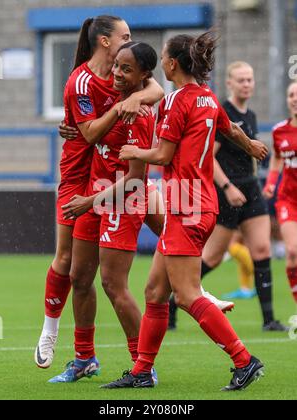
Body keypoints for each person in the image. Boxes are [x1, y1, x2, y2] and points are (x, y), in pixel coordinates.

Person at [101, 32, 267, 391]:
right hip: (197, 201)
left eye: (163, 56)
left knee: (187, 295)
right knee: (155, 293)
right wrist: (250, 144)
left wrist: (132, 152)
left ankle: (244, 360)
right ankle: (142, 370)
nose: (161, 61)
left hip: (186, 203)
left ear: (173, 63)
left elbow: (162, 155)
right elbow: (229, 127)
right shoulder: (207, 98)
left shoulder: (179, 101)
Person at [35, 15, 164, 370]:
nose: (130, 39)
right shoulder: (84, 81)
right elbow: (90, 133)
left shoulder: (129, 73)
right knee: (72, 267)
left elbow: (157, 90)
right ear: (105, 42)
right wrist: (122, 105)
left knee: (113, 280)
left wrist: (134, 100)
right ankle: (58, 335)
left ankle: (146, 360)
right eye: (125, 35)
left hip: (116, 187)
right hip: (80, 177)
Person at [169, 61, 287, 331]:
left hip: (250, 190)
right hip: (227, 191)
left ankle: (269, 320)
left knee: (261, 250)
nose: (247, 84)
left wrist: (258, 184)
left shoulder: (252, 115)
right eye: (241, 80)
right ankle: (173, 300)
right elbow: (208, 157)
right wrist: (227, 187)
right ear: (230, 83)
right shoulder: (223, 112)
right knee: (211, 257)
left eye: (250, 79)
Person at [263, 80, 297, 307]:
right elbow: (276, 157)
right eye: (291, 95)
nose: (294, 99)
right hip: (288, 199)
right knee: (293, 251)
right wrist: (271, 182)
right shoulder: (279, 131)